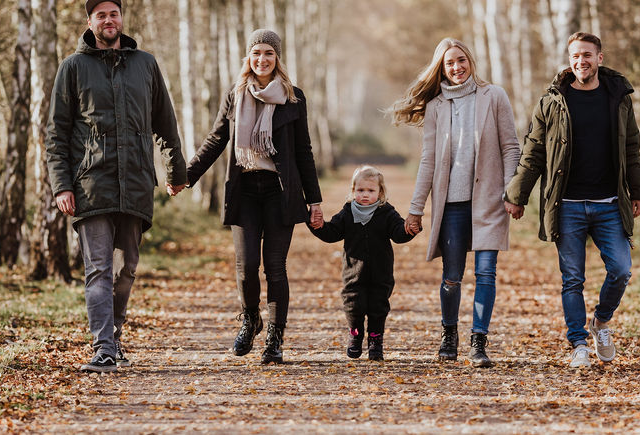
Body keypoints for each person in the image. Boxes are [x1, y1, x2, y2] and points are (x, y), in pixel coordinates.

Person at [46, 0, 187, 373]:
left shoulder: (146, 64)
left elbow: (165, 124)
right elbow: (56, 134)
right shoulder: (72, 68)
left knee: (126, 269)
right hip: (91, 184)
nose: (108, 21)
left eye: (114, 14)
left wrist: (176, 172)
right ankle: (103, 346)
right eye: (100, 16)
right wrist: (61, 185)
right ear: (89, 23)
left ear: (121, 19)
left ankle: (114, 336)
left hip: (137, 183)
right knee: (98, 269)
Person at [504, 32, 640, 368]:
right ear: (568, 60)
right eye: (575, 56)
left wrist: (639, 191)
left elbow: (631, 149)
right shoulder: (552, 102)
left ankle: (600, 322)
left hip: (609, 203)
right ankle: (578, 344)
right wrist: (518, 195)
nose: (580, 61)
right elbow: (533, 153)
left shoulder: (618, 98)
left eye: (587, 55)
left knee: (621, 269)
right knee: (572, 278)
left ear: (600, 58)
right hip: (566, 205)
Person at [186, 29, 322, 364]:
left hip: (280, 193)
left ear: (278, 59)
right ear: (249, 57)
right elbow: (217, 140)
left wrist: (315, 200)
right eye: (256, 53)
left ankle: (275, 339)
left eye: (269, 54)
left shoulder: (293, 99)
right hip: (245, 191)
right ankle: (251, 318)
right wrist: (185, 177)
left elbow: (303, 152)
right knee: (246, 267)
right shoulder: (235, 95)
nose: (262, 60)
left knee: (275, 267)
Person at [390, 38, 520, 367]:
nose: (457, 67)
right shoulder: (436, 106)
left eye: (461, 60)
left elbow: (511, 147)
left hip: (490, 201)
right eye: (450, 63)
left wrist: (511, 192)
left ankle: (479, 342)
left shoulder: (494, 96)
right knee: (451, 278)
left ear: (470, 61)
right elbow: (428, 161)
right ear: (442, 69)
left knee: (486, 274)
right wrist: (416, 209)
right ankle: (450, 334)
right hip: (451, 207)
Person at [307, 166, 419, 361]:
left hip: (381, 272)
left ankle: (376, 340)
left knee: (378, 306)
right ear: (353, 191)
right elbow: (332, 232)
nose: (365, 195)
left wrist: (409, 230)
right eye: (360, 190)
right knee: (353, 305)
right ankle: (355, 335)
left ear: (380, 192)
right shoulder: (347, 212)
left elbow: (398, 234)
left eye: (370, 190)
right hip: (353, 272)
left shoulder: (387, 213)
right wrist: (319, 226)